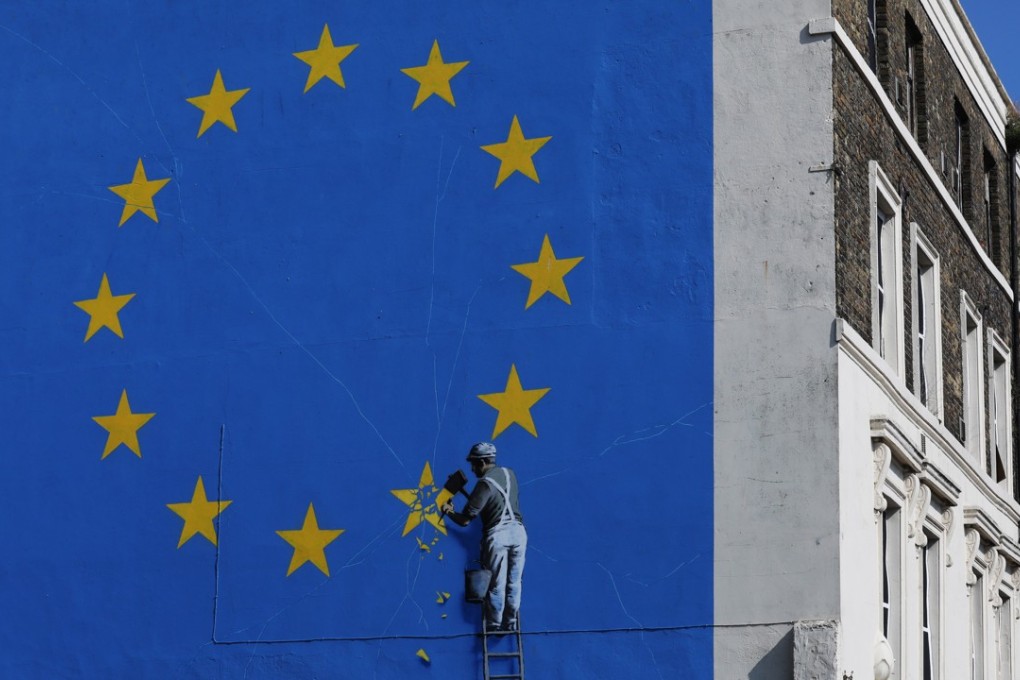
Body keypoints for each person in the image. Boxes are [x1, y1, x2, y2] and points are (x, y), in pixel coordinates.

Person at [442, 442, 527, 632]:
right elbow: (497, 501)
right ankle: (511, 621)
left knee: (496, 584)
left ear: (483, 462)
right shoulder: (509, 474)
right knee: (514, 582)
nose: (472, 469)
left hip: (498, 534)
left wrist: (449, 512)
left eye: (474, 464)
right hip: (519, 532)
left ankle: (494, 623)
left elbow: (465, 521)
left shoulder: (484, 484)